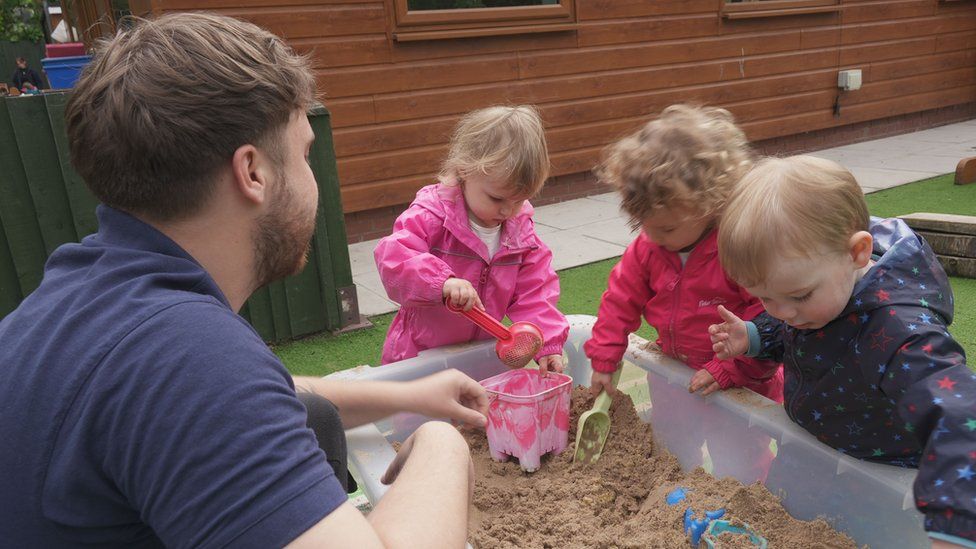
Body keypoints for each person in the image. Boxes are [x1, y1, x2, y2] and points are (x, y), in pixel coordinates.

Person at [0, 13, 488, 548]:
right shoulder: (187, 356)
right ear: (253, 172)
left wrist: (412, 394)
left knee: (313, 414)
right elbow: (212, 389)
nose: (313, 177)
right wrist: (442, 446)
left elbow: (267, 393)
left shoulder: (84, 294)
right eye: (305, 153)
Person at [710, 155, 976, 548]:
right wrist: (753, 336)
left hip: (879, 473)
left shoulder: (901, 335)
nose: (782, 312)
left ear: (857, 253)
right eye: (765, 297)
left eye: (799, 296)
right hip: (812, 447)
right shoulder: (818, 290)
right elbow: (800, 335)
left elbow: (960, 415)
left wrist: (956, 522)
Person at [585, 105, 783, 402]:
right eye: (643, 224)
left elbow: (770, 321)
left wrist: (729, 368)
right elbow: (619, 302)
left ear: (710, 205)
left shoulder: (737, 249)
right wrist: (604, 359)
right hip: (676, 373)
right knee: (672, 430)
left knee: (736, 435)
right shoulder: (648, 248)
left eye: (667, 228)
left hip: (741, 385)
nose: (653, 237)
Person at [374, 105, 569, 374]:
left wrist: (546, 343)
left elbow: (536, 293)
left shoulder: (521, 235)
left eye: (519, 200)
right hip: (421, 357)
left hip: (480, 359)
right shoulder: (431, 216)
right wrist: (441, 282)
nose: (507, 211)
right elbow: (394, 260)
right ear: (464, 171)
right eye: (497, 198)